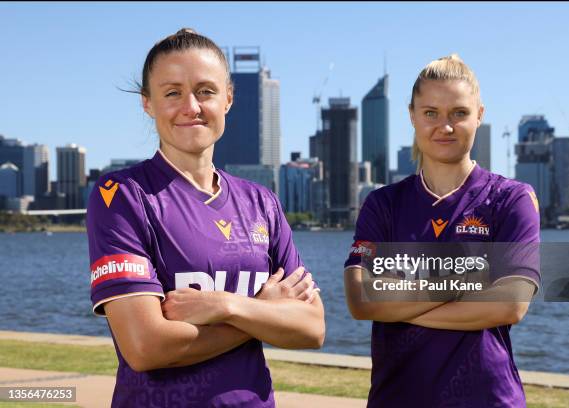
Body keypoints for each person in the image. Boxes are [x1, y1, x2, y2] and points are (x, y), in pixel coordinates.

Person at [87, 28, 325, 407]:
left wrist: (226, 306)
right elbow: (146, 347)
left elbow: (312, 328)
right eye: (172, 93)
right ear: (147, 103)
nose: (191, 106)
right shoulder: (121, 196)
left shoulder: (262, 202)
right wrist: (262, 310)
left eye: (205, 91)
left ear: (228, 98)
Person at [344, 54, 540, 407]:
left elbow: (511, 304)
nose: (444, 127)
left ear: (479, 114)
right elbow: (361, 299)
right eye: (431, 113)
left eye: (459, 113)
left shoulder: (512, 199)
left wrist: (400, 302)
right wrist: (474, 280)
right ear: (412, 116)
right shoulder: (383, 204)